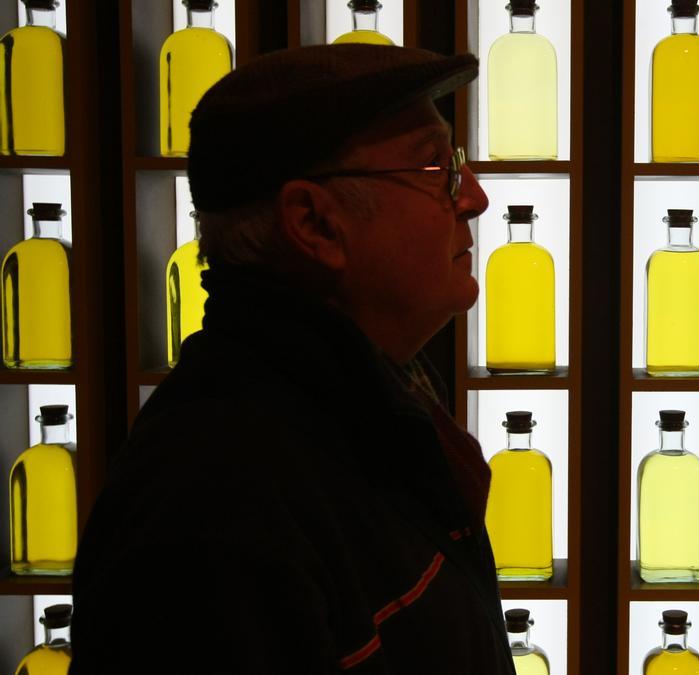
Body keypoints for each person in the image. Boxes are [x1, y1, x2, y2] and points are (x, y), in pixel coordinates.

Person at [69, 45, 515, 674]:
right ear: (314, 223)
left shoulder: (376, 407)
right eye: (434, 165)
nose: (472, 197)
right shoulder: (210, 520)